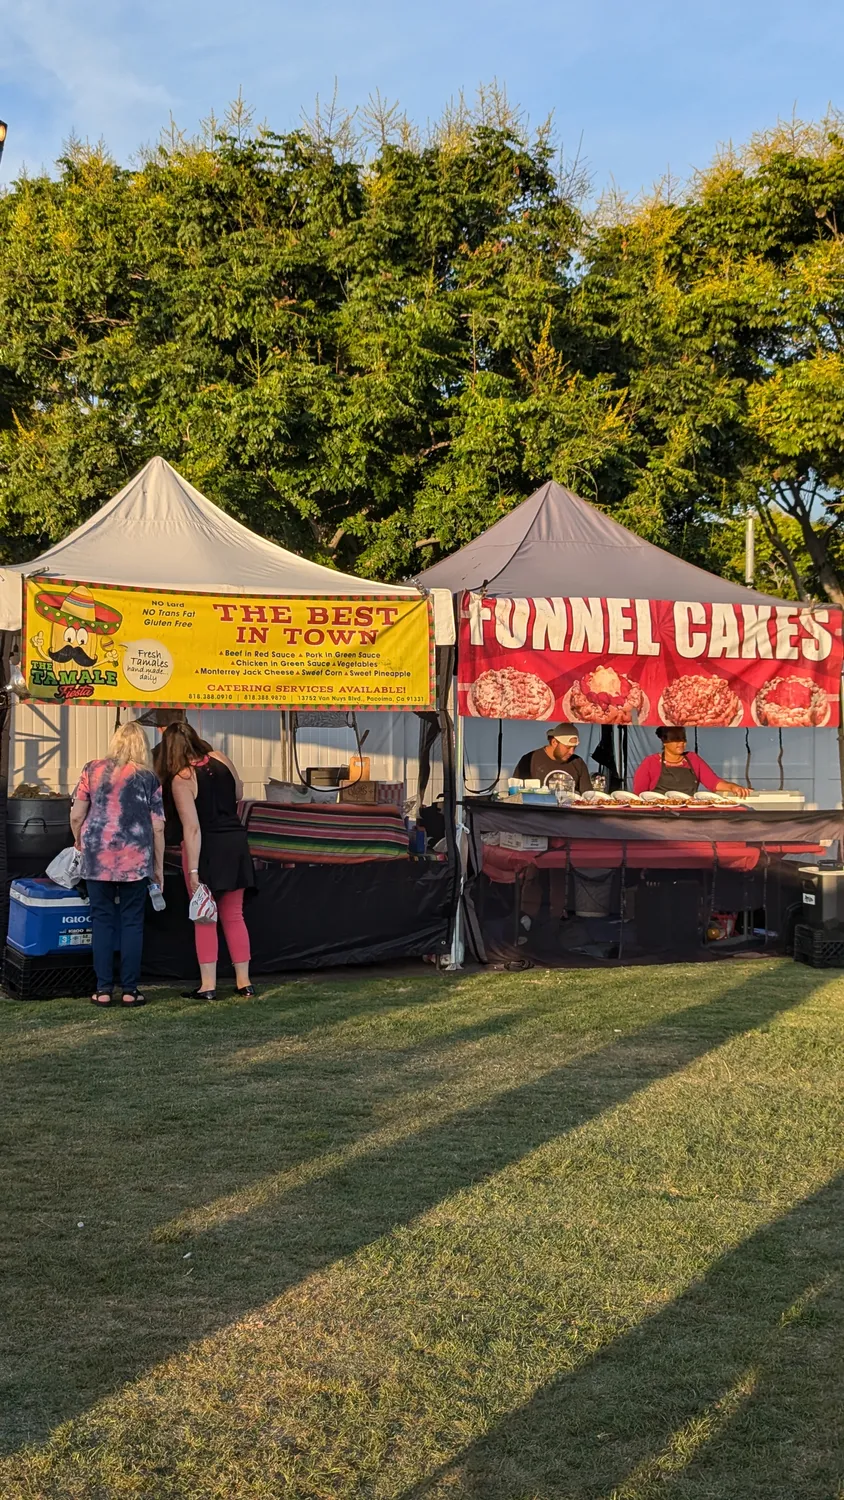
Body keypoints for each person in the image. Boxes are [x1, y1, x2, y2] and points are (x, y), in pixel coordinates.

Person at [70, 720, 165, 1008]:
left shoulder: (92, 769)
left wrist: (79, 839)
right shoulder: (149, 778)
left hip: (97, 855)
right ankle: (130, 989)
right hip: (135, 858)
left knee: (101, 920)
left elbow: (77, 814)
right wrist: (158, 867)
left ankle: (102, 989)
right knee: (132, 921)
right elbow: (158, 826)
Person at [158, 722, 255, 1001]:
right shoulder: (221, 757)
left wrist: (193, 870)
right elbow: (238, 793)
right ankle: (244, 982)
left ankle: (208, 986)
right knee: (234, 915)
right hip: (235, 842)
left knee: (204, 917)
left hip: (205, 848)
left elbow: (192, 829)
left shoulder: (182, 779)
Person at [633, 727, 750, 797]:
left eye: (683, 739)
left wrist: (733, 787)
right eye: (675, 740)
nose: (681, 744)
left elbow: (713, 783)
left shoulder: (693, 759)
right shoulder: (650, 762)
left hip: (688, 814)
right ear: (664, 742)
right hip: (657, 815)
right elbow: (639, 794)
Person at [513, 723, 593, 793]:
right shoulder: (530, 760)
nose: (571, 752)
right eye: (567, 747)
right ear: (554, 742)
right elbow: (516, 794)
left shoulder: (578, 763)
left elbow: (587, 794)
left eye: (574, 747)